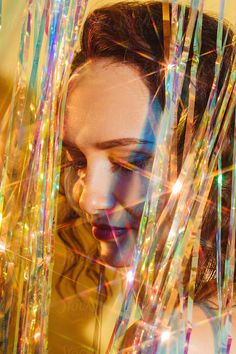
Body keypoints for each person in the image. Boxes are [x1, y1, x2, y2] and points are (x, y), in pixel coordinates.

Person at [49, 1, 235, 353]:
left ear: (213, 163)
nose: (89, 199)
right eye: (77, 159)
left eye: (129, 162)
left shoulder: (173, 340)